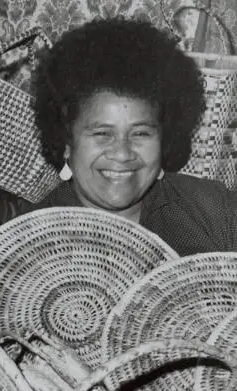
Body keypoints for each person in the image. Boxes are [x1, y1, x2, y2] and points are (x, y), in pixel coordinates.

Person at [23, 17, 237, 255]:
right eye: (103, 133)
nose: (122, 153)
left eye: (141, 133)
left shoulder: (214, 209)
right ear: (66, 141)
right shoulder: (31, 244)